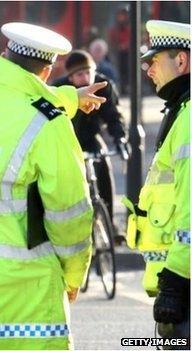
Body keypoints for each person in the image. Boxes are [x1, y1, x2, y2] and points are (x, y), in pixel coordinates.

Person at [0, 22, 110, 349]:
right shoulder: (49, 124)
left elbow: (10, 100)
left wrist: (68, 97)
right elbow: (70, 215)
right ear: (48, 70)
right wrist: (73, 277)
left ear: (3, 55)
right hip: (23, 295)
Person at [124, 20, 189, 341]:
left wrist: (176, 281)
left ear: (182, 61)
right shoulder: (180, 109)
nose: (147, 68)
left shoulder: (189, 117)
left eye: (154, 59)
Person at [53, 50, 129, 225]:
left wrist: (120, 138)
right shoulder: (60, 89)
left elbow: (114, 116)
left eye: (89, 72)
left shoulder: (104, 86)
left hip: (92, 137)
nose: (86, 78)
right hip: (68, 140)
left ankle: (110, 223)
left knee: (103, 169)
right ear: (70, 78)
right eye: (80, 74)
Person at [109, 7, 131, 94]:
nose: (122, 17)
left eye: (124, 15)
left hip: (128, 55)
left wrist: (126, 46)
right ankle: (120, 88)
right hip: (117, 55)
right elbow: (111, 42)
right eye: (120, 15)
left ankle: (126, 87)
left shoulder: (129, 28)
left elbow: (132, 40)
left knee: (126, 71)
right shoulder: (114, 30)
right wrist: (118, 46)